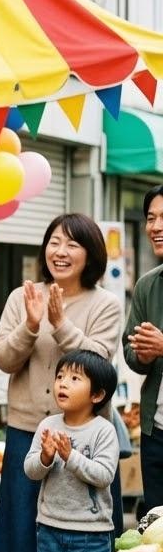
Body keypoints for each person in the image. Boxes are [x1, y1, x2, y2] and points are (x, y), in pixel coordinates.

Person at [0, 214, 121, 552]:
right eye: (54, 242)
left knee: (82, 520)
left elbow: (99, 363)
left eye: (72, 245)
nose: (60, 252)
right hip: (29, 427)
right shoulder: (22, 297)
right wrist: (30, 325)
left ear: (91, 255)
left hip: (87, 433)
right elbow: (3, 358)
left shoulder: (106, 304)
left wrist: (60, 323)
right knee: (28, 519)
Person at [24, 350, 119, 552]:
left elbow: (104, 475)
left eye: (75, 379)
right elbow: (30, 471)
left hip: (91, 536)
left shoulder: (103, 431)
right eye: (60, 376)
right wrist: (45, 457)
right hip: (49, 530)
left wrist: (70, 456)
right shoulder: (48, 425)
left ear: (97, 395)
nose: (63, 383)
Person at [124, 184, 163, 516]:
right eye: (151, 218)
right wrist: (144, 355)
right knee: (157, 532)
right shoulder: (147, 285)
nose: (156, 226)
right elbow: (130, 351)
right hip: (156, 431)